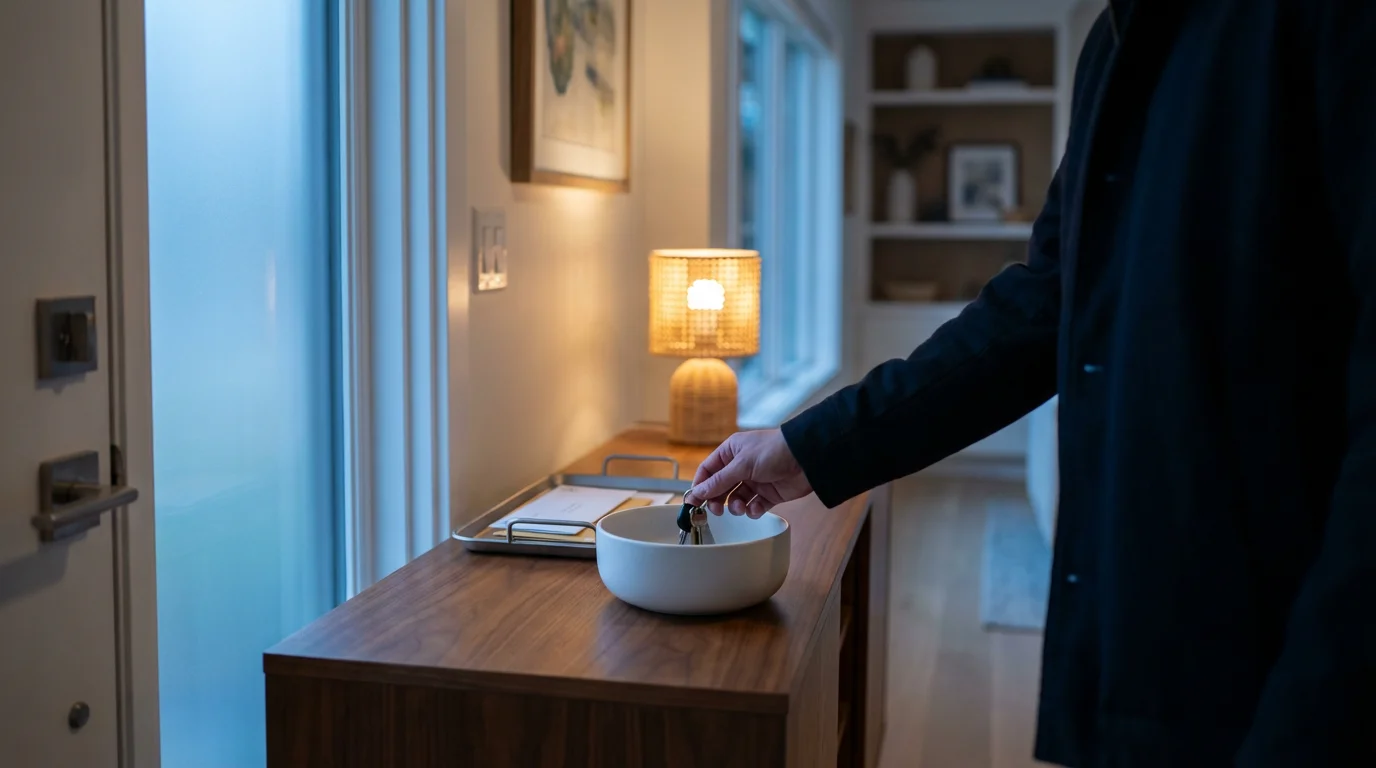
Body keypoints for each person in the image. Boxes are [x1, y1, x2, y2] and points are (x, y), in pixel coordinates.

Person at [684, 1, 1375, 765]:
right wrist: (803, 447)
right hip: (1136, 653)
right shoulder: (1112, 49)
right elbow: (1042, 307)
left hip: (1280, 680)